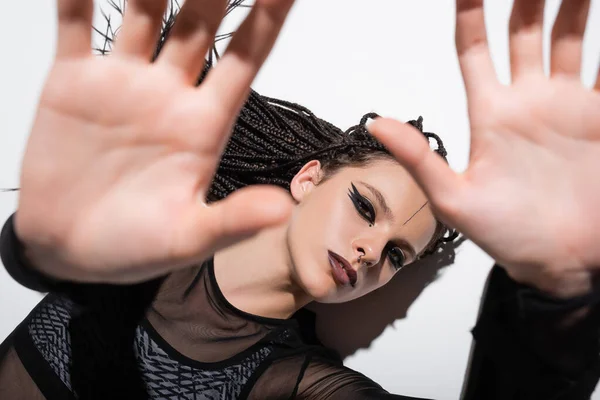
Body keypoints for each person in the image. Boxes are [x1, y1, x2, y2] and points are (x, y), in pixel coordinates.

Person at [0, 0, 599, 399]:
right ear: (310, 178)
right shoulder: (147, 243)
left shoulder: (300, 385)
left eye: (395, 256)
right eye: (365, 207)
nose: (369, 251)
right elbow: (54, 259)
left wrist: (553, 301)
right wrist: (34, 246)